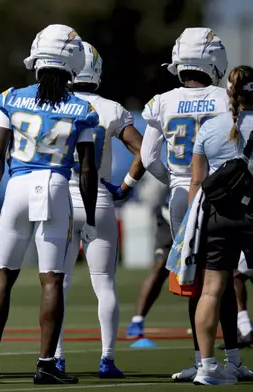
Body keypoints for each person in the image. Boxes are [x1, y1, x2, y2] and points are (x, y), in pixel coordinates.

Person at [0, 25, 98, 385]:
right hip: (56, 186)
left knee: (3, 274)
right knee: (51, 281)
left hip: (17, 187)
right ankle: (45, 364)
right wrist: (88, 217)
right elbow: (87, 169)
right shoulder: (81, 108)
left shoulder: (11, 97)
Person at [54, 42, 165, 378]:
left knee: (57, 285)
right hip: (99, 197)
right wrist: (126, 186)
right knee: (104, 283)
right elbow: (144, 149)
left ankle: (54, 358)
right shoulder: (113, 109)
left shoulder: (54, 103)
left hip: (60, 198)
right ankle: (107, 359)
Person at [139, 27, 228, 382]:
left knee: (197, 281)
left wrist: (174, 180)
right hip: (224, 194)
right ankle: (229, 357)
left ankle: (201, 358)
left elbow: (148, 157)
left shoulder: (161, 101)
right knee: (225, 277)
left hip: (181, 197)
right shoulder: (225, 99)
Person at [186, 65, 253, 385]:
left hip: (217, 215)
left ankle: (208, 366)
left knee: (210, 291)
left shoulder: (210, 128)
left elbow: (197, 182)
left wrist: (190, 228)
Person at [125, 194, 174, 338]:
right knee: (161, 266)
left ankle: (240, 322)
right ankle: (137, 320)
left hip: (200, 208)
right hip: (171, 209)